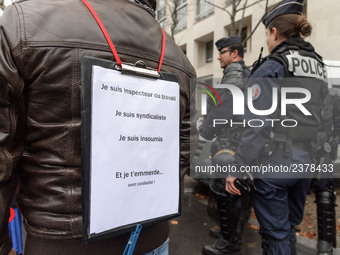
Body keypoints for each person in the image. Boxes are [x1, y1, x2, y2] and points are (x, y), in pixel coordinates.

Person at [0, 0, 198, 255]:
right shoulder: (179, 57)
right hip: (153, 237)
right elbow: (187, 147)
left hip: (60, 243)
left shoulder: (25, 23)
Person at [225, 0, 329, 254]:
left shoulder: (274, 65)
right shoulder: (318, 65)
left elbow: (258, 124)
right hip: (307, 161)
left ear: (273, 32)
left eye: (267, 34)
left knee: (276, 234)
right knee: (288, 227)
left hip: (278, 161)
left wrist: (236, 168)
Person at [199, 36, 250, 255]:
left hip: (230, 146)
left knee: (225, 192)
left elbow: (221, 108)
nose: (218, 56)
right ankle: (229, 233)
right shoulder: (247, 74)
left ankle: (230, 243)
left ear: (235, 54)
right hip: (242, 145)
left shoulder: (235, 77)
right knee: (236, 194)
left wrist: (205, 129)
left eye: (222, 52)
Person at [311, 87, 340, 255]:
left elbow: (337, 124)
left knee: (325, 194)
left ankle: (325, 246)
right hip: (302, 150)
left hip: (322, 151)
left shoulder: (331, 97)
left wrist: (332, 142)